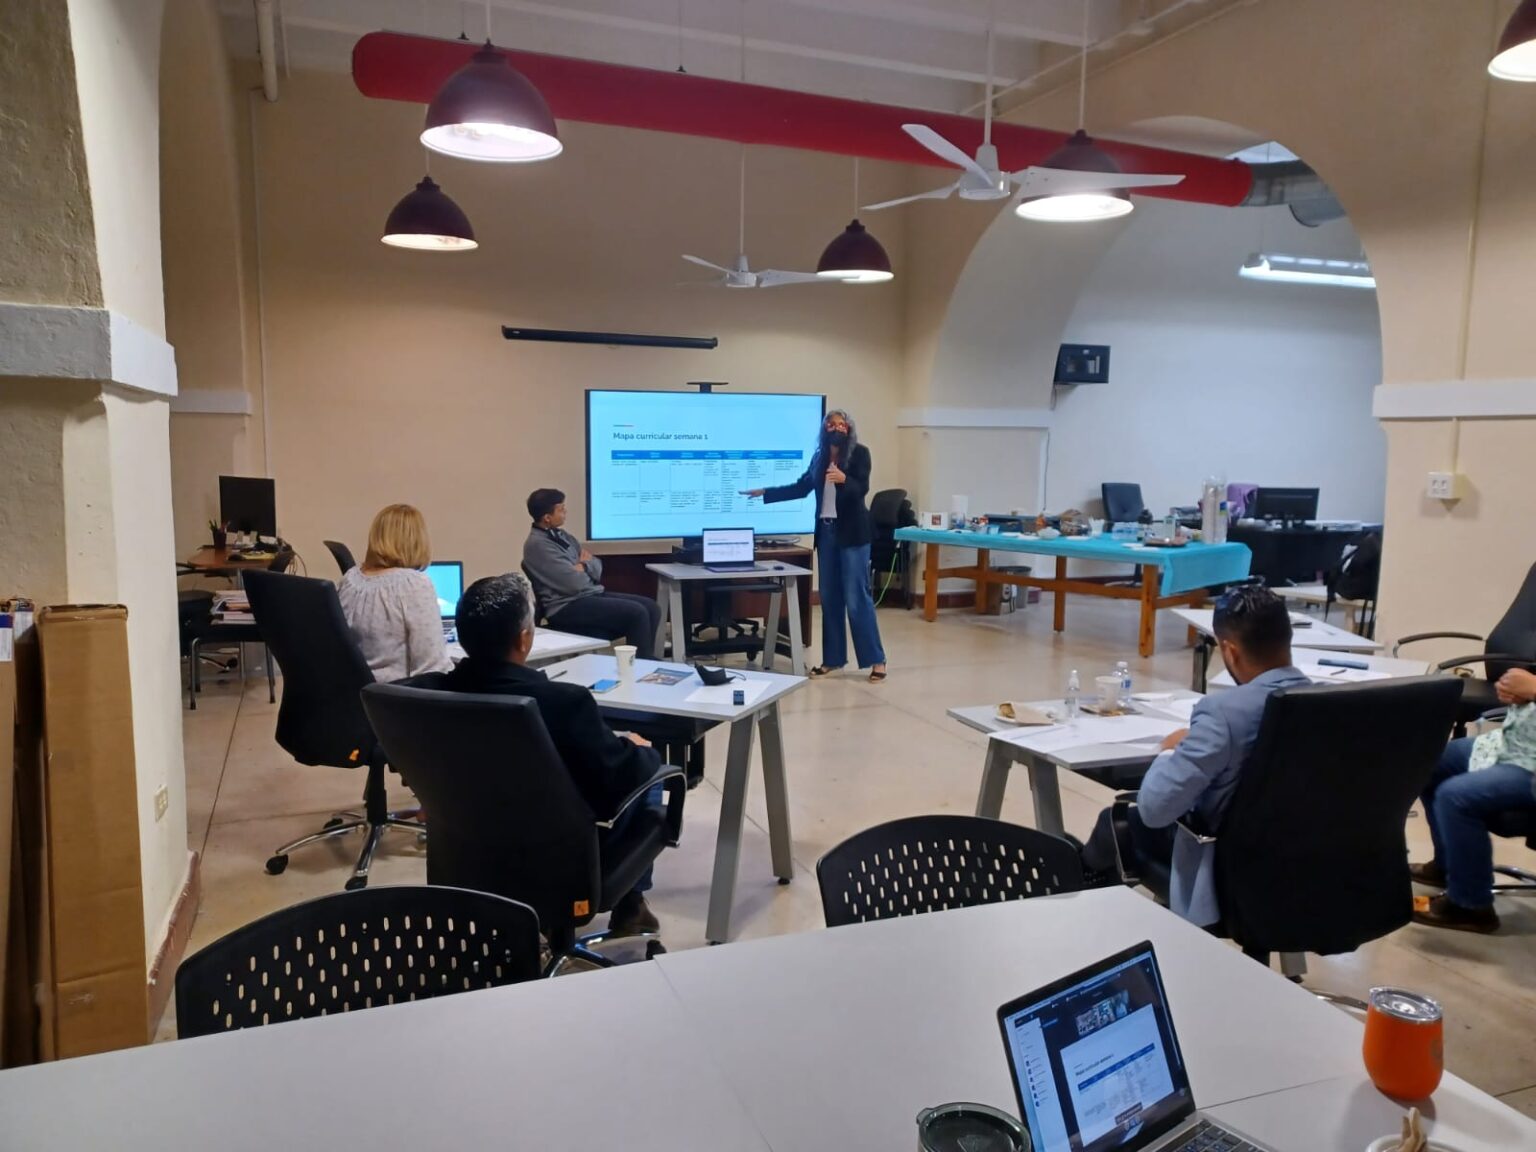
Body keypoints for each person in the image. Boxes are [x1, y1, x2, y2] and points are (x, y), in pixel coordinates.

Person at [443, 572, 668, 935]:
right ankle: (631, 906)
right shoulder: (564, 703)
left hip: (469, 847)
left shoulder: (432, 694)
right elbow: (616, 777)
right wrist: (640, 752)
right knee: (649, 773)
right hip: (562, 853)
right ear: (524, 638)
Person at [1079, 585, 1309, 925]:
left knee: (1115, 822)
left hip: (1228, 873)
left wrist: (1170, 752)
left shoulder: (1224, 714)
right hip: (1309, 868)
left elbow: (1155, 810)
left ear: (1230, 651)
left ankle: (1080, 894)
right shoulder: (1333, 705)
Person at [742, 408, 888, 682]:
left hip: (854, 535)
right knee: (830, 598)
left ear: (848, 429)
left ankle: (876, 660)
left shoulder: (860, 454)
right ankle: (833, 660)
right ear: (824, 429)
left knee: (856, 598)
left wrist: (845, 480)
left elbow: (861, 489)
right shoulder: (819, 457)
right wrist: (765, 493)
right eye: (831, 424)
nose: (836, 428)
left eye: (841, 425)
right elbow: (801, 487)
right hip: (828, 533)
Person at [1409, 667, 1536, 933]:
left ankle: (1470, 905)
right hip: (1519, 744)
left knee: (1456, 796)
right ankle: (1448, 866)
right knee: (1427, 763)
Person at [522, 488, 663, 660]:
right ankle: (640, 663)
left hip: (588, 595)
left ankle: (645, 658)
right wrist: (584, 566)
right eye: (561, 509)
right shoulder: (538, 545)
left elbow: (597, 565)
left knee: (651, 607)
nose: (565, 512)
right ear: (547, 517)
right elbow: (574, 584)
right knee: (637, 613)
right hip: (566, 605)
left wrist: (583, 565)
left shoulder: (562, 535)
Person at [337, 503, 453, 683]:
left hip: (355, 692)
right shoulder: (413, 584)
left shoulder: (349, 580)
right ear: (417, 541)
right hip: (396, 696)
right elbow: (433, 668)